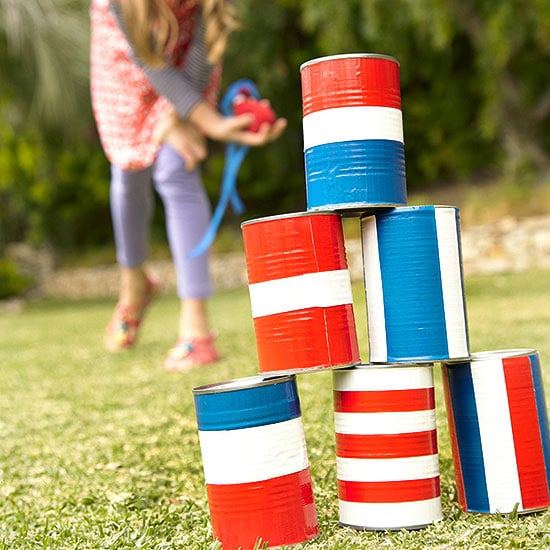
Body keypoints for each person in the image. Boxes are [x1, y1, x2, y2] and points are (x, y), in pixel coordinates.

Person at [90, 0, 287, 371]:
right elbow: (148, 61)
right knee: (127, 172)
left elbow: (202, 51)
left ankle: (196, 328)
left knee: (175, 167)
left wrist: (180, 116)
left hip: (183, 70)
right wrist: (210, 122)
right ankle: (134, 284)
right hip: (126, 55)